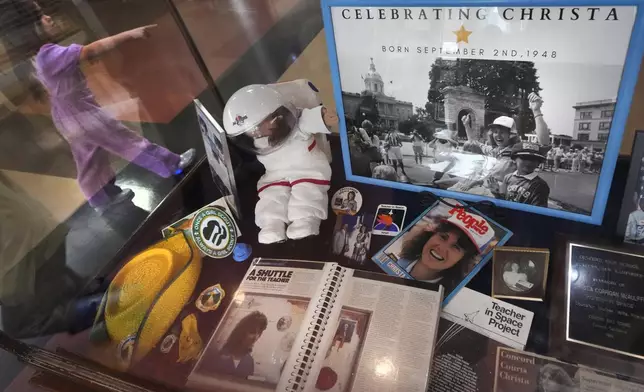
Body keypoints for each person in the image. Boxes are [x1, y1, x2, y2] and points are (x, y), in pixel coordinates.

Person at [33, 18, 196, 212]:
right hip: (82, 115)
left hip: (66, 115)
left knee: (88, 157)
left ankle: (101, 198)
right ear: (32, 29)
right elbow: (91, 50)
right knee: (124, 140)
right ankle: (172, 164)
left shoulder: (41, 56)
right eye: (41, 17)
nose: (49, 18)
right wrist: (131, 34)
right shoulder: (49, 54)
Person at [223, 82, 337, 244]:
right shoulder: (259, 141)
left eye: (259, 125)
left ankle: (305, 220)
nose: (256, 133)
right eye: (251, 131)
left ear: (275, 115)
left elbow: (309, 119)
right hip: (275, 174)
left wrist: (323, 117)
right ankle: (271, 224)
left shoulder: (297, 126)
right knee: (271, 195)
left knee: (307, 190)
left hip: (306, 169)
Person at [461, 93, 549, 193]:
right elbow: (473, 143)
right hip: (484, 191)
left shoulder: (518, 152)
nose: (498, 136)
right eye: (495, 132)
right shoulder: (494, 151)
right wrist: (466, 126)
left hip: (502, 197)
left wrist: (536, 111)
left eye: (502, 132)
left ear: (511, 134)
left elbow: (544, 145)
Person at [395, 209, 494, 292]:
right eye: (443, 237)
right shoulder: (394, 254)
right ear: (432, 235)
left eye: (456, 247)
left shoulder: (448, 297)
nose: (441, 248)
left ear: (464, 260)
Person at [204, 311, 268, 378]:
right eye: (252, 332)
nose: (256, 337)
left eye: (259, 333)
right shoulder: (218, 353)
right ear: (241, 332)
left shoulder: (249, 361)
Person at [497, 142, 550, 207]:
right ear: (514, 159)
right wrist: (496, 191)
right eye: (524, 158)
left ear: (539, 163)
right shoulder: (508, 177)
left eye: (534, 159)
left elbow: (539, 210)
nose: (529, 162)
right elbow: (502, 200)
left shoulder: (540, 185)